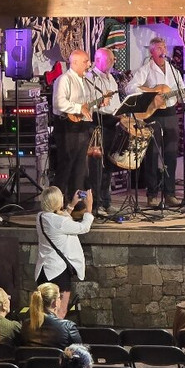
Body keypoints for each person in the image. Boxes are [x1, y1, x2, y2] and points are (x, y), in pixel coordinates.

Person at [127, 36, 185, 207]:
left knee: (171, 154)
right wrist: (152, 93)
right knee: (152, 155)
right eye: (159, 48)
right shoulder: (146, 69)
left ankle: (170, 194)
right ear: (152, 52)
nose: (163, 51)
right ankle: (152, 194)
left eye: (164, 47)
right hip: (152, 115)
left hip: (170, 114)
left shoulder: (173, 70)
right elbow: (130, 88)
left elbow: (182, 93)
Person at [34, 185, 93, 318]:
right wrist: (89, 208)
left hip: (43, 271)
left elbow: (61, 221)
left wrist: (72, 205)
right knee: (60, 311)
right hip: (58, 272)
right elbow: (83, 227)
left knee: (44, 312)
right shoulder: (59, 222)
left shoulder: (40, 217)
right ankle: (57, 331)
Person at [52, 49, 96, 201]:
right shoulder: (64, 79)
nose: (89, 64)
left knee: (80, 167)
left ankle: (76, 202)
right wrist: (78, 108)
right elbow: (59, 103)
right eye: (85, 61)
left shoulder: (85, 80)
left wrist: (99, 103)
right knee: (66, 165)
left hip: (82, 126)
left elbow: (87, 104)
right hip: (67, 127)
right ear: (75, 62)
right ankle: (56, 202)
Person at [86, 47, 122, 217]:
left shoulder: (111, 78)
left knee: (108, 164)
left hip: (111, 123)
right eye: (109, 59)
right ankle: (96, 204)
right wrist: (100, 103)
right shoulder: (90, 78)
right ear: (98, 60)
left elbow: (116, 102)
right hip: (97, 122)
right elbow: (88, 102)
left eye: (113, 59)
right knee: (96, 166)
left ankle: (106, 201)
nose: (112, 62)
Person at [22, 282, 82, 348]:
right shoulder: (68, 327)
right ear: (54, 302)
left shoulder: (25, 326)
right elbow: (80, 352)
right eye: (59, 297)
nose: (60, 300)